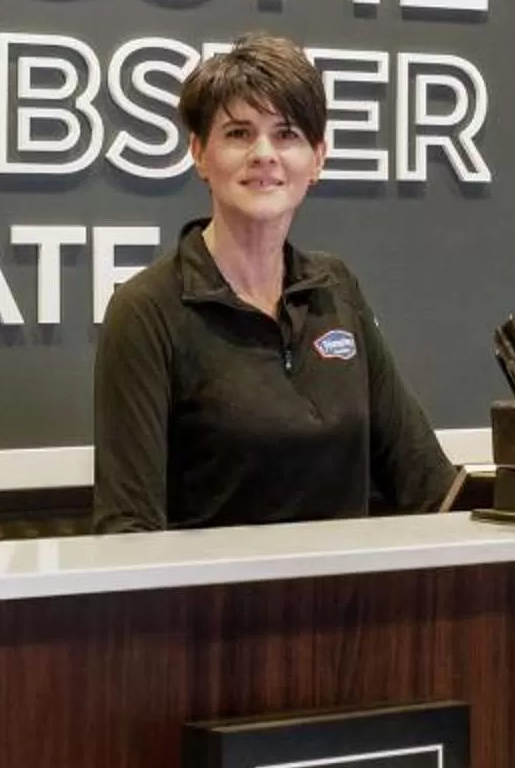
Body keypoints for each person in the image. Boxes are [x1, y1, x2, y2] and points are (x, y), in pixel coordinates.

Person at [92, 33, 458, 533]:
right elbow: (126, 532)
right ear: (199, 153)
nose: (264, 154)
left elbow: (427, 483)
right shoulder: (146, 310)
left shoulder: (336, 288)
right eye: (239, 134)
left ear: (318, 158)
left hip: (354, 605)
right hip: (213, 607)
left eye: (286, 134)